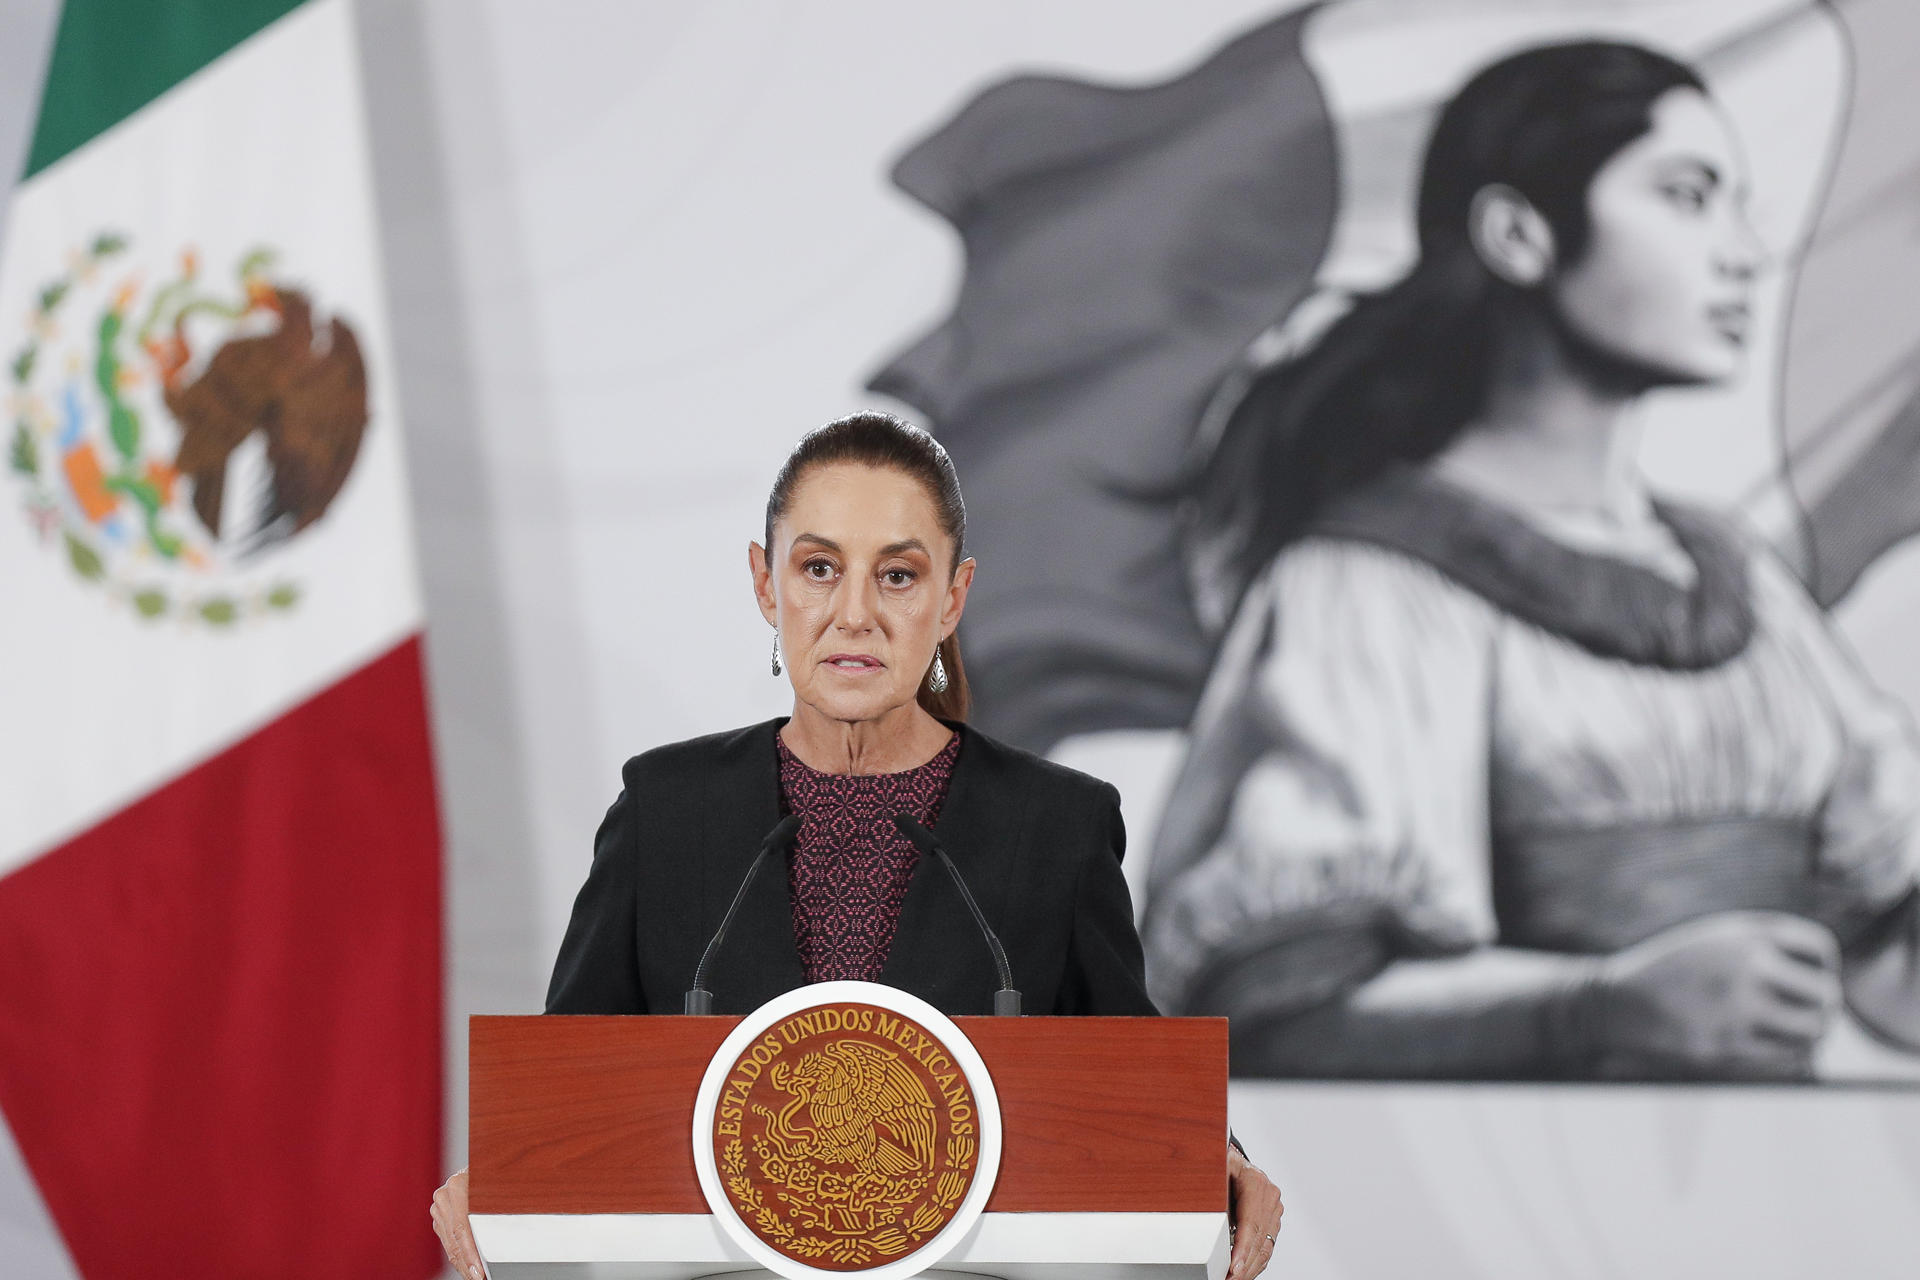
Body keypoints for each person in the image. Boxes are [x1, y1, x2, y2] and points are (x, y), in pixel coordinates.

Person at [1142, 41, 1920, 1079]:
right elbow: (1278, 1012)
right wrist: (1600, 1006)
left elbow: (1882, 951)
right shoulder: (1366, 587)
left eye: (1738, 205)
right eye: (1687, 198)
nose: (1741, 252)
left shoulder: (1741, 583)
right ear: (1519, 235)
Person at [432, 412, 1285, 1276]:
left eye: (899, 576)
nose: (855, 615)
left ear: (953, 597)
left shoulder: (1055, 823)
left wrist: (1225, 1161)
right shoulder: (667, 810)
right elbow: (569, 1084)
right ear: (766, 586)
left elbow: (1133, 1080)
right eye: (818, 569)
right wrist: (501, 1170)